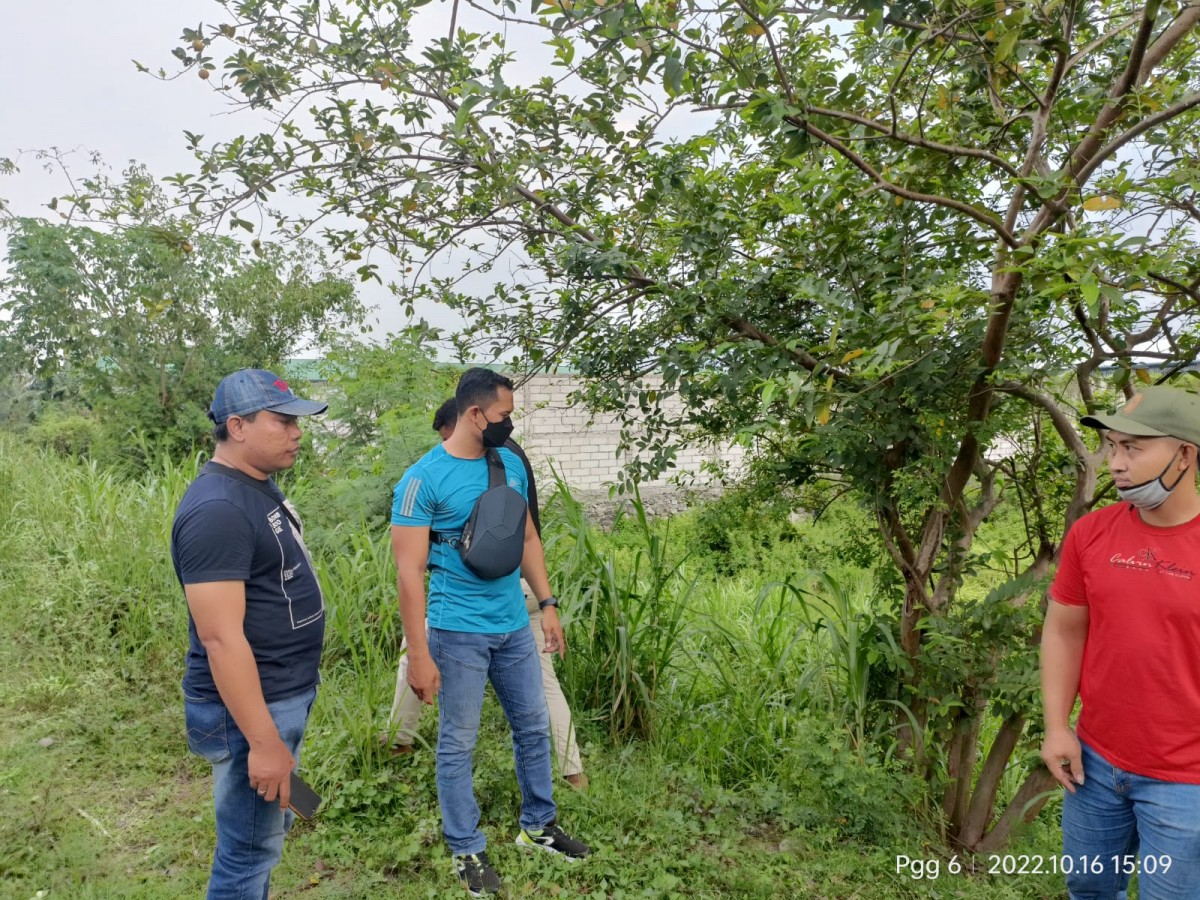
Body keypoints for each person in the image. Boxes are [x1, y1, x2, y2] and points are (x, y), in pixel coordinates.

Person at [391, 368, 590, 896]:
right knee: (458, 742)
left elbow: (525, 536)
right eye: (504, 414)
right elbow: (408, 573)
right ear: (475, 414)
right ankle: (466, 848)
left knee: (531, 727)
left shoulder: (507, 465)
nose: (510, 423)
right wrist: (419, 654)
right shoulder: (422, 479)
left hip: (511, 626)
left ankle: (539, 827)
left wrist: (546, 604)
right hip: (456, 631)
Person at [171, 368, 328, 899]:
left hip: (277, 693)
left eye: (297, 422)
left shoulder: (255, 486)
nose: (297, 432)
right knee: (247, 852)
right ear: (236, 427)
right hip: (249, 710)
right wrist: (263, 742)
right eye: (282, 421)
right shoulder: (218, 509)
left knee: (264, 836)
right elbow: (220, 638)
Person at [1040, 385, 1200, 899]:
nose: (1115, 463)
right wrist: (1056, 728)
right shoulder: (1091, 533)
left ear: (1185, 454)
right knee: (1087, 888)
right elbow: (1065, 630)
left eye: (1133, 448)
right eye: (1112, 446)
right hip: (1095, 764)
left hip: (1187, 783)